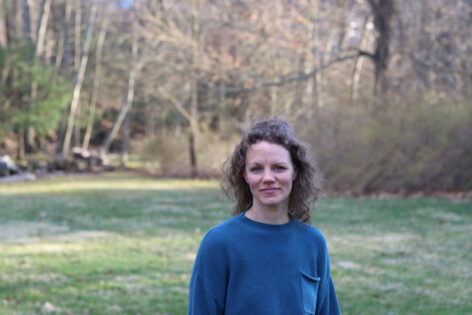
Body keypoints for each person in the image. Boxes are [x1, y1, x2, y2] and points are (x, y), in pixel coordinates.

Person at [188, 118, 340, 315]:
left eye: (279, 167)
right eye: (256, 168)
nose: (268, 178)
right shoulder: (219, 243)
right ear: (245, 175)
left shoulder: (313, 242)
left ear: (294, 172)